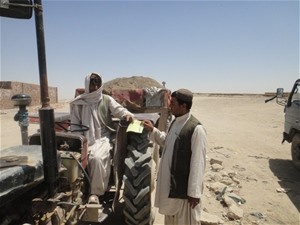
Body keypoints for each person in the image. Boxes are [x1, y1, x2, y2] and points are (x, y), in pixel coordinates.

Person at [143, 88, 207, 225]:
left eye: (173, 103)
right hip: (170, 189)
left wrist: (194, 193)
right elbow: (167, 142)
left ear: (183, 106)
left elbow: (198, 163)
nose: (170, 106)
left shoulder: (196, 129)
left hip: (185, 195)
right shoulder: (175, 122)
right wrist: (153, 130)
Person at [70, 72, 134, 204]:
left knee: (97, 159)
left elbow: (119, 110)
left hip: (102, 139)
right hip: (82, 138)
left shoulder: (106, 99)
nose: (94, 87)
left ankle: (95, 193)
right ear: (87, 85)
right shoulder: (78, 102)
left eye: (97, 84)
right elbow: (75, 125)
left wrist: (127, 115)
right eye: (92, 84)